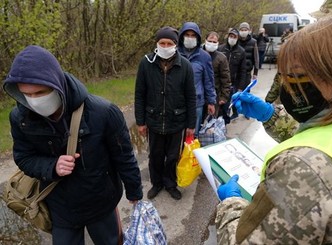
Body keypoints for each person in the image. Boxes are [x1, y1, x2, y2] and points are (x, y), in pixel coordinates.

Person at [216, 7, 332, 244]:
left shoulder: (302, 171)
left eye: (296, 76)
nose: (288, 86)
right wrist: (271, 116)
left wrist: (230, 204)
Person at [3, 45, 143, 244]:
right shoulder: (20, 118)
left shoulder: (103, 112)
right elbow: (24, 158)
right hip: (61, 208)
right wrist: (52, 166)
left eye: (40, 93)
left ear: (56, 83)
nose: (34, 101)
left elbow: (124, 156)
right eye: (27, 95)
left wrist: (134, 191)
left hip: (100, 203)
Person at [135, 26, 196, 200]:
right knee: (155, 155)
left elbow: (191, 97)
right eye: (162, 42)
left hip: (176, 121)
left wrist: (191, 124)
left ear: (175, 45)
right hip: (153, 119)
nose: (165, 45)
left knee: (172, 156)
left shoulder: (185, 65)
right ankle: (157, 183)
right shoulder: (146, 63)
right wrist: (140, 121)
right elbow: (139, 94)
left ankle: (170, 183)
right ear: (157, 43)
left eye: (169, 43)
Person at [177, 22, 216, 136]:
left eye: (193, 35)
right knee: (176, 135)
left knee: (192, 134)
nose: (190, 38)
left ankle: (190, 153)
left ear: (198, 38)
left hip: (197, 103)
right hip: (177, 102)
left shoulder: (204, 56)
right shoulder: (174, 54)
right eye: (187, 35)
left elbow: (209, 81)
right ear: (182, 37)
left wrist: (211, 102)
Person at [218, 28, 246, 123]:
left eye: (234, 37)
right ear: (228, 36)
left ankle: (223, 125)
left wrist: (241, 87)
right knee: (217, 107)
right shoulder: (220, 48)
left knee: (226, 107)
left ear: (237, 38)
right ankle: (216, 125)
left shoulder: (241, 51)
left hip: (233, 84)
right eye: (231, 36)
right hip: (220, 83)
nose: (232, 38)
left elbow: (243, 71)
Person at [202, 31, 231, 118]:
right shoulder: (198, 54)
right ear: (205, 40)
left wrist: (224, 97)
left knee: (210, 122)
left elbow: (226, 78)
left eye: (214, 42)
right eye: (210, 41)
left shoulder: (221, 58)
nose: (212, 43)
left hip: (214, 95)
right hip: (198, 94)